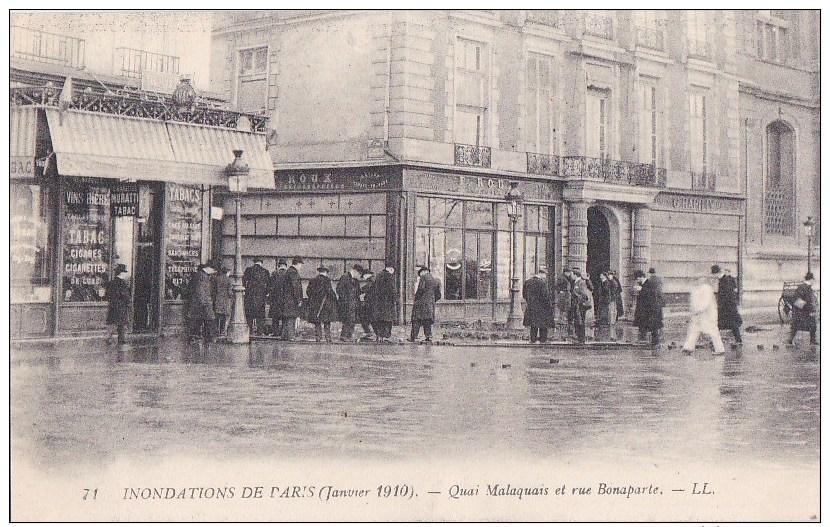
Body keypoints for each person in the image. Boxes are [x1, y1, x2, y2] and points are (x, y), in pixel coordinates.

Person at [681, 273, 726, 355]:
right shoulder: (695, 289)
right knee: (694, 330)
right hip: (698, 314)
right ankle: (688, 347)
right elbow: (693, 301)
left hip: (707, 314)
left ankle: (720, 349)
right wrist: (694, 311)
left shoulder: (706, 289)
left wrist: (698, 310)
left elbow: (705, 302)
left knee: (713, 331)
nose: (697, 281)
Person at [185, 263, 217, 348]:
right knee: (208, 321)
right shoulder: (203, 277)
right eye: (212, 270)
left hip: (197, 303)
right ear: (207, 268)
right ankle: (206, 339)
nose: (213, 272)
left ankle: (194, 337)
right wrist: (205, 303)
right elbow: (202, 291)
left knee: (197, 321)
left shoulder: (199, 275)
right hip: (202, 304)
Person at [305, 266, 338, 343]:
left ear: (319, 272)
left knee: (317, 321)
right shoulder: (327, 280)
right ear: (325, 272)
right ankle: (328, 338)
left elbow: (308, 292)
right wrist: (334, 298)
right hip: (325, 305)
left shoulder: (312, 280)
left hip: (315, 305)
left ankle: (318, 337)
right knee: (327, 322)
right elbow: (330, 292)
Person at [522, 266, 554, 343]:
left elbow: (524, 294)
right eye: (545, 274)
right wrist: (548, 305)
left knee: (533, 324)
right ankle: (543, 340)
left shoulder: (528, 282)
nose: (545, 276)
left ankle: (533, 339)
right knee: (543, 325)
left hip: (531, 306)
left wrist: (530, 301)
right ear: (541, 274)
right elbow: (545, 296)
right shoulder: (542, 283)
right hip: (542, 307)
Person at [410, 266, 442, 342]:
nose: (420, 275)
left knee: (416, 320)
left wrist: (416, 298)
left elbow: (421, 289)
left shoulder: (423, 278)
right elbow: (439, 295)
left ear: (424, 271)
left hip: (421, 303)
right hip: (430, 304)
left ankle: (413, 337)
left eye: (420, 273)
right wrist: (432, 300)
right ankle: (428, 336)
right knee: (427, 321)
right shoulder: (436, 280)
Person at [712, 265, 743, 343]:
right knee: (730, 324)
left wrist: (720, 304)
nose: (714, 276)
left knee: (728, 324)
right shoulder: (723, 279)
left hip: (728, 306)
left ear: (717, 273)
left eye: (714, 274)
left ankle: (717, 342)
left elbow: (727, 294)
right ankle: (738, 340)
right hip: (727, 306)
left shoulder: (725, 280)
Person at [633, 269, 664, 346]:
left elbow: (651, 294)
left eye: (637, 278)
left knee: (652, 325)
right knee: (645, 324)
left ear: (640, 277)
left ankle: (654, 342)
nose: (637, 280)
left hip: (649, 308)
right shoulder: (642, 283)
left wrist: (641, 289)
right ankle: (645, 340)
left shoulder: (649, 282)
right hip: (644, 308)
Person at [788, 272, 818, 346]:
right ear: (811, 280)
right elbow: (801, 300)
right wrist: (808, 309)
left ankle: (812, 340)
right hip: (803, 312)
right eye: (813, 280)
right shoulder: (806, 288)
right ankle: (812, 340)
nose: (813, 281)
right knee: (810, 323)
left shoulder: (803, 287)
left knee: (798, 325)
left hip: (801, 311)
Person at [242, 258, 270, 335]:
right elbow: (269, 284)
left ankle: (249, 331)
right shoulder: (265, 271)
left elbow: (243, 281)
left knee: (249, 315)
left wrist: (245, 290)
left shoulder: (248, 270)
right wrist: (266, 293)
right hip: (260, 297)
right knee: (260, 316)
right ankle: (260, 332)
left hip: (249, 296)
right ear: (261, 262)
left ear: (254, 262)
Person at [279, 257, 304, 341]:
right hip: (291, 300)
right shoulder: (293, 273)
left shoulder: (288, 271)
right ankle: (290, 336)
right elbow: (295, 287)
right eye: (300, 264)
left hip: (286, 299)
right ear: (297, 263)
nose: (301, 267)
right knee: (291, 317)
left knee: (286, 318)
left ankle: (285, 336)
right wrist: (299, 300)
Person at [105, 263, 131, 344]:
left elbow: (107, 295)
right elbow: (125, 295)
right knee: (122, 324)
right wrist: (128, 303)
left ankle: (110, 338)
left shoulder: (111, 282)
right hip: (121, 306)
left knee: (112, 323)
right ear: (122, 273)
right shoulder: (123, 283)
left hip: (112, 306)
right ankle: (121, 339)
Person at [371, 264, 397, 342]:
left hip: (378, 303)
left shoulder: (379, 276)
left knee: (379, 320)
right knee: (387, 320)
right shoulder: (389, 277)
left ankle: (379, 336)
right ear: (391, 269)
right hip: (387, 303)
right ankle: (385, 336)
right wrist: (394, 299)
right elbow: (393, 290)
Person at [336, 265, 363, 341]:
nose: (359, 276)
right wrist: (346, 299)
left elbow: (357, 292)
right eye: (359, 274)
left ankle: (348, 336)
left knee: (352, 320)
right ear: (355, 271)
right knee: (348, 319)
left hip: (353, 303)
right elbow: (339, 289)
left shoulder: (355, 280)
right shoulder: (345, 277)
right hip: (346, 303)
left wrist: (363, 290)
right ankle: (345, 336)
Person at [570, 269, 593, 343]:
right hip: (578, 304)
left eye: (572, 274)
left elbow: (584, 294)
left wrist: (579, 300)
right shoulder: (577, 282)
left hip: (580, 305)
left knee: (580, 321)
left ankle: (581, 339)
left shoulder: (581, 282)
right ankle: (579, 338)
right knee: (578, 321)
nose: (571, 275)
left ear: (575, 275)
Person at [268, 259, 288, 337]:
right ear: (285, 266)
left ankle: (275, 332)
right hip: (284, 299)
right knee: (284, 317)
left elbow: (270, 287)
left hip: (275, 299)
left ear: (278, 265)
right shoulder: (287, 274)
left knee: (275, 317)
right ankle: (283, 333)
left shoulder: (274, 273)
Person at [213, 265, 233, 337]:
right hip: (225, 300)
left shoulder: (217, 279)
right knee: (223, 317)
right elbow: (230, 292)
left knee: (217, 316)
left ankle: (215, 331)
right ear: (227, 272)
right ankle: (221, 331)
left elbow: (214, 290)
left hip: (217, 299)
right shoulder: (229, 280)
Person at [555, 268, 574, 338]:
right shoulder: (562, 278)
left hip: (566, 297)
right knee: (563, 311)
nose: (570, 274)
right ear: (566, 272)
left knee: (565, 311)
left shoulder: (566, 278)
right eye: (569, 272)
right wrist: (560, 291)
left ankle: (563, 326)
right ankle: (562, 331)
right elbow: (557, 286)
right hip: (564, 298)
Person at [594, 272, 613, 341]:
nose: (600, 276)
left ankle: (605, 321)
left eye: (601, 275)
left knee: (604, 310)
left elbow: (606, 291)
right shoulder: (602, 282)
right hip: (602, 298)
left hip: (605, 299)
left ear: (604, 276)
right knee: (602, 310)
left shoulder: (606, 282)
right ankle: (602, 321)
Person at [357, 270, 376, 341]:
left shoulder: (370, 280)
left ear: (367, 274)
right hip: (371, 302)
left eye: (364, 276)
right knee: (369, 318)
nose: (363, 278)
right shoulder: (373, 279)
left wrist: (358, 292)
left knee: (364, 318)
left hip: (370, 303)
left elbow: (366, 288)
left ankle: (370, 333)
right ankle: (372, 333)